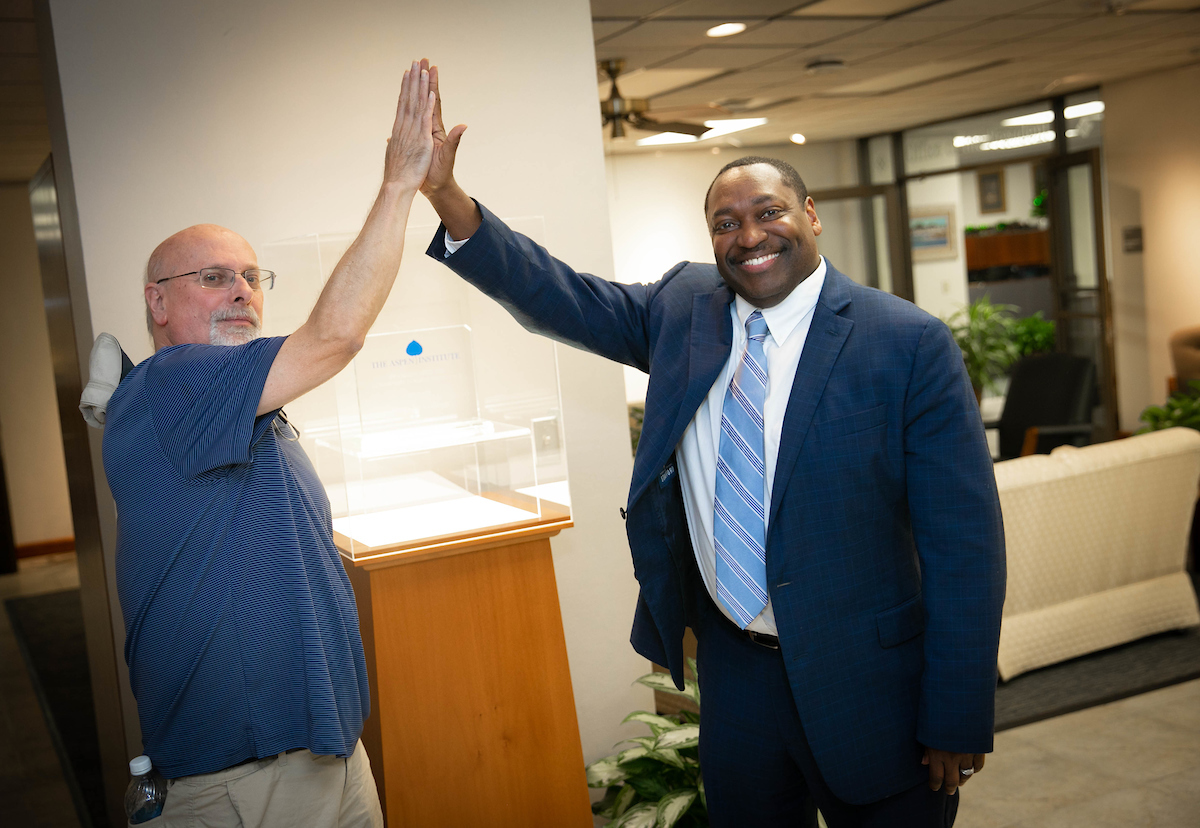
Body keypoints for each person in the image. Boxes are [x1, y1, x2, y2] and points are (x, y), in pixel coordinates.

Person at [418, 69, 1006, 828]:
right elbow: (558, 293)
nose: (749, 235)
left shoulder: (905, 343)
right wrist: (447, 199)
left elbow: (964, 547)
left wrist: (956, 714)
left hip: (872, 685)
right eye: (726, 223)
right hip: (738, 678)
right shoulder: (683, 309)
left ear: (812, 215)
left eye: (768, 212)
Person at [101, 60, 436, 828]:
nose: (244, 293)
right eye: (214, 277)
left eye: (253, 277)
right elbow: (336, 335)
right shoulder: (179, 378)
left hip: (326, 752)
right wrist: (397, 188)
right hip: (244, 778)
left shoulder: (231, 399)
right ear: (157, 301)